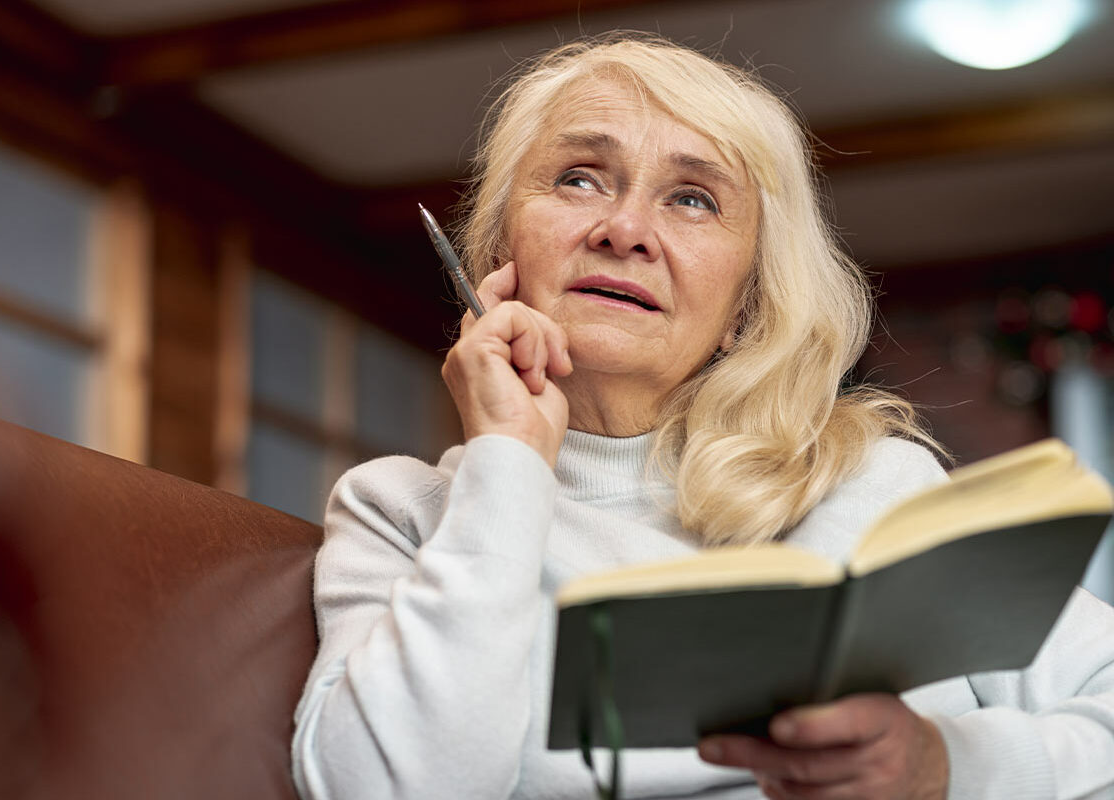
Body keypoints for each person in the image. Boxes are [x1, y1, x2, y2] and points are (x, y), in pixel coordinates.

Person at [291, 34, 1114, 800]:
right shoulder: (400, 511)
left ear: (745, 308)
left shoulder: (875, 483)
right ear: (499, 250)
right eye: (579, 177)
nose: (624, 231)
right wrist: (508, 461)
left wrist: (946, 768)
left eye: (692, 199)